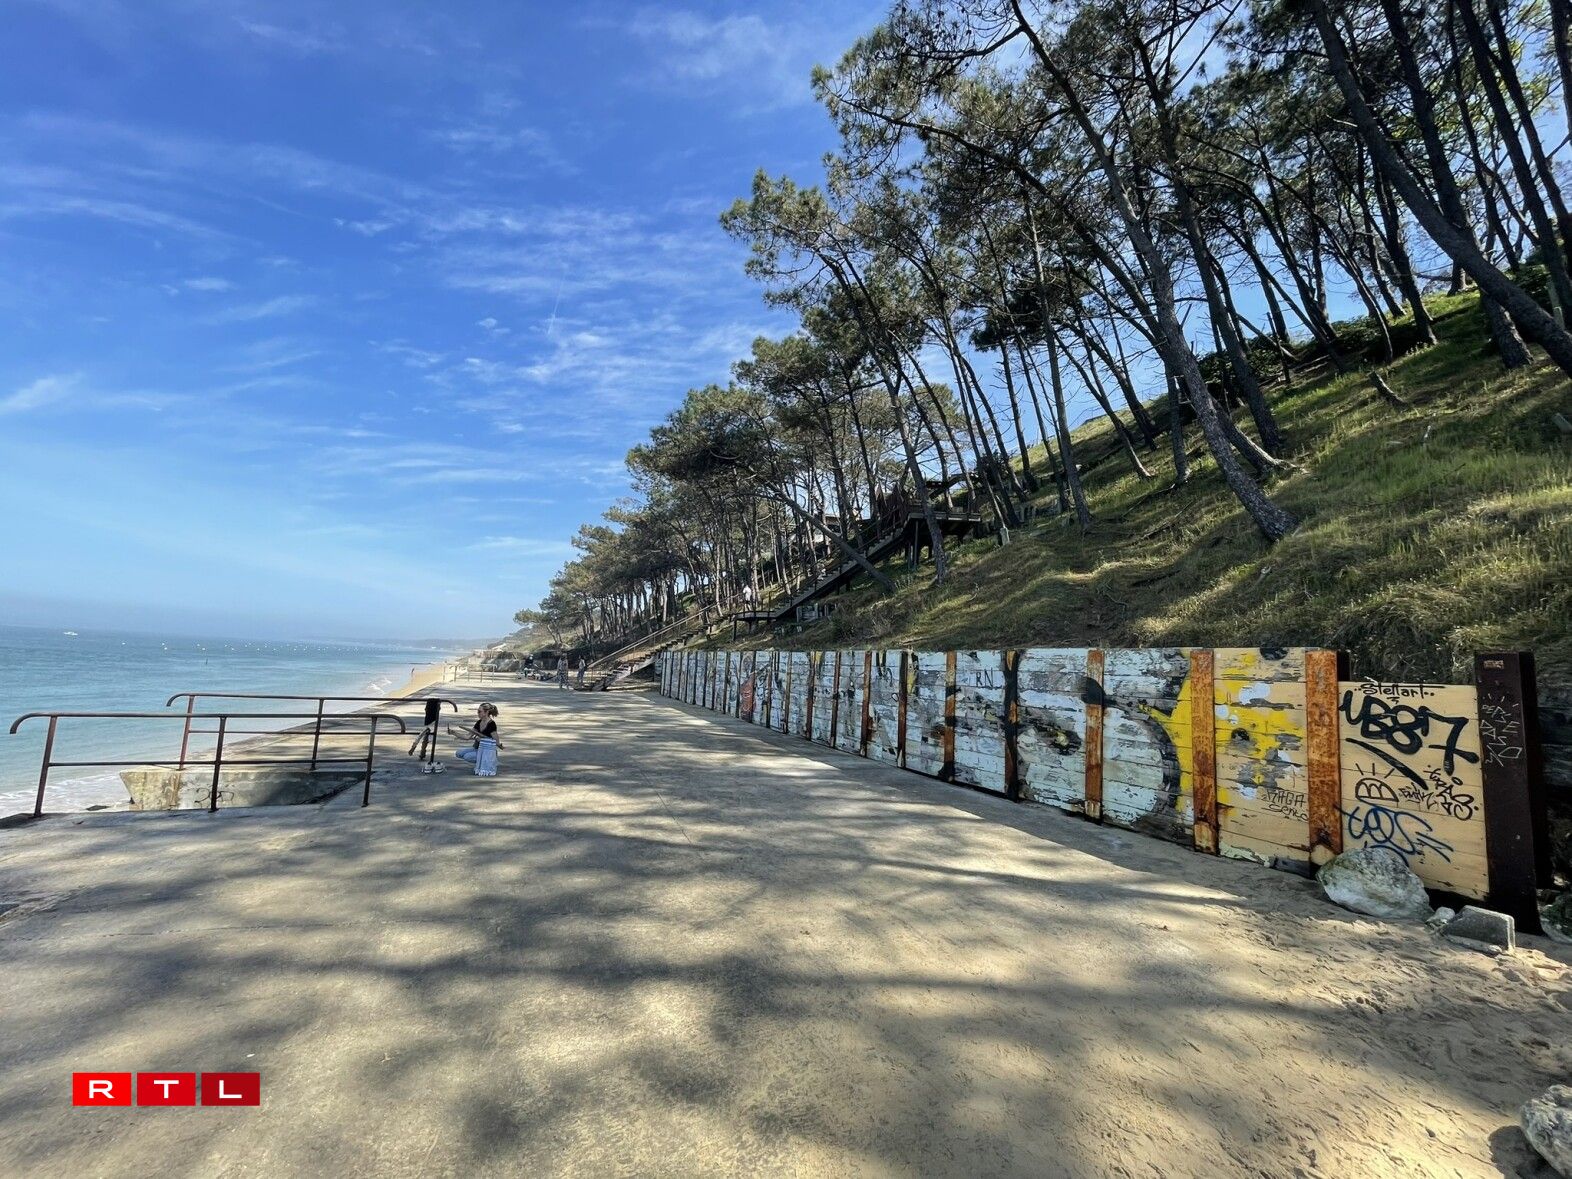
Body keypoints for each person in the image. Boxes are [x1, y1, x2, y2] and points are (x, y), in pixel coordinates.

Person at [448, 703, 501, 775]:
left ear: (486, 712)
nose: (478, 713)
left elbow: (496, 742)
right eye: (477, 711)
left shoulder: (491, 724)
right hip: (477, 748)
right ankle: (481, 761)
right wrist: (454, 733)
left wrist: (482, 740)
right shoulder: (479, 722)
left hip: (486, 752)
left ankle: (488, 760)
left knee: (467, 756)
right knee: (459, 753)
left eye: (479, 711)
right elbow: (467, 736)